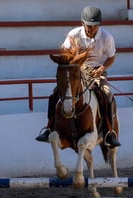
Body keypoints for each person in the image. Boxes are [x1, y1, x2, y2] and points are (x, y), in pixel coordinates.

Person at [35, 6, 121, 147]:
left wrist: (101, 69)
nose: (91, 29)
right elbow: (65, 56)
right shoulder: (74, 34)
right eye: (88, 26)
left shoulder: (107, 37)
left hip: (97, 71)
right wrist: (76, 66)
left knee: (107, 94)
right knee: (55, 93)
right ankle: (49, 128)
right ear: (82, 23)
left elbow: (111, 58)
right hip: (76, 71)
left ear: (99, 25)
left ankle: (109, 132)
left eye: (94, 26)